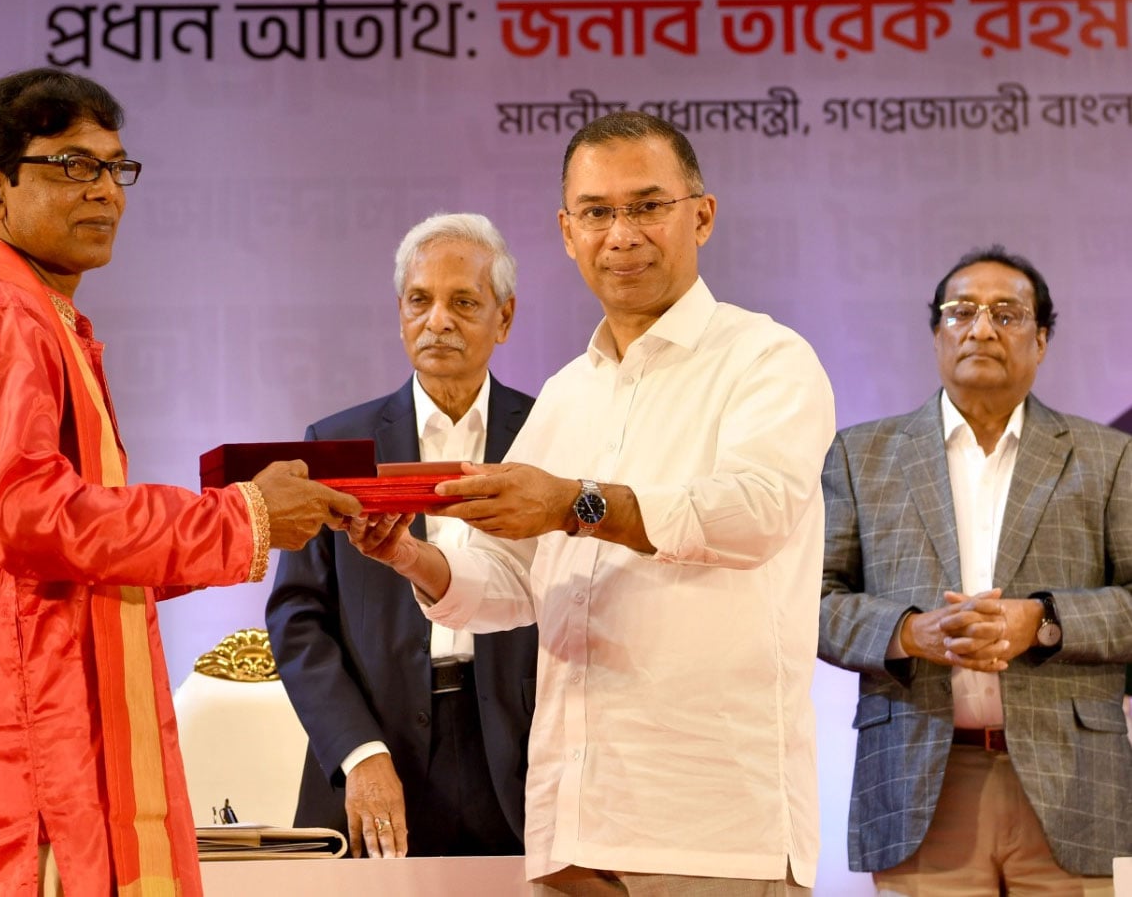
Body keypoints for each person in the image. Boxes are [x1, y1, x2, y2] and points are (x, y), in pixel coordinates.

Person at [0, 67, 359, 896]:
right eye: (72, 165)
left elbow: (71, 555)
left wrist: (253, 518)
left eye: (114, 167)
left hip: (41, 734)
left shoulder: (36, 317)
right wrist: (240, 519)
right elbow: (35, 520)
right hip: (25, 762)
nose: (104, 190)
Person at [348, 112, 835, 894]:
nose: (622, 235)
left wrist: (577, 503)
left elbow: (752, 514)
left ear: (702, 216)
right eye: (597, 213)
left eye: (648, 207)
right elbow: (512, 579)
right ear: (567, 233)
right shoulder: (568, 393)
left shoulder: (767, 360)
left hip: (712, 830)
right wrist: (411, 556)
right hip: (571, 827)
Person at [818, 246, 1132, 894]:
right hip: (920, 782)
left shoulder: (1110, 458)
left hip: (1076, 783)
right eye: (960, 312)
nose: (981, 329)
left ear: (1041, 340)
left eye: (1006, 314)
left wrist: (1043, 622)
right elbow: (809, 602)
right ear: (937, 333)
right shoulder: (861, 455)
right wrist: (909, 634)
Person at [266, 212, 538, 859]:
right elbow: (298, 617)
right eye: (420, 300)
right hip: (377, 752)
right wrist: (359, 752)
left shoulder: (547, 434)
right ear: (399, 314)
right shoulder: (337, 446)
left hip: (522, 763)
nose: (437, 321)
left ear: (504, 318)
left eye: (463, 302)